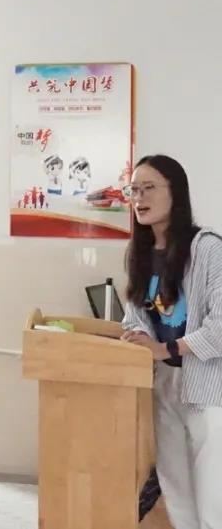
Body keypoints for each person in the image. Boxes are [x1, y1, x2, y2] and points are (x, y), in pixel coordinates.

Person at [121, 155, 222, 529]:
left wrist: (166, 348)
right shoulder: (141, 253)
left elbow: (220, 325)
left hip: (208, 388)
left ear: (175, 192)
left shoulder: (208, 248)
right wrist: (138, 336)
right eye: (134, 190)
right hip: (165, 385)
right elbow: (136, 316)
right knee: (176, 490)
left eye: (149, 188)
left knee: (212, 499)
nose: (139, 198)